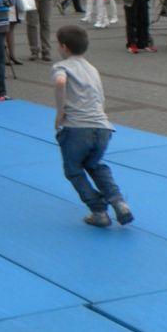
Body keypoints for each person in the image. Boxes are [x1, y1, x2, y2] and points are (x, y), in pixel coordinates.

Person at [52, 25, 133, 227]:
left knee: (73, 170)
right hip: (102, 128)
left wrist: (60, 111)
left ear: (64, 47)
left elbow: (60, 82)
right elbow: (99, 97)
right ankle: (118, 201)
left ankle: (98, 210)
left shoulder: (62, 67)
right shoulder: (92, 69)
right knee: (95, 164)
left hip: (77, 128)